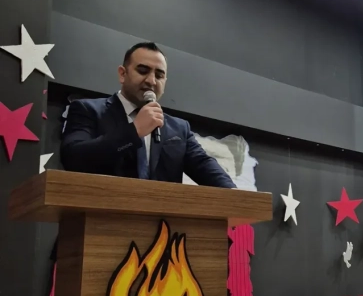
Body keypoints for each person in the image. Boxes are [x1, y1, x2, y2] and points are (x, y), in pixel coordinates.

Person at [60, 42, 236, 188]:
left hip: (161, 219)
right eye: (143, 71)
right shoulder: (87, 110)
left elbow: (203, 165)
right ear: (122, 74)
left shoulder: (179, 128)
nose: (151, 81)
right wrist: (134, 131)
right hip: (100, 216)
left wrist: (238, 199)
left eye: (159, 75)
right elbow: (73, 159)